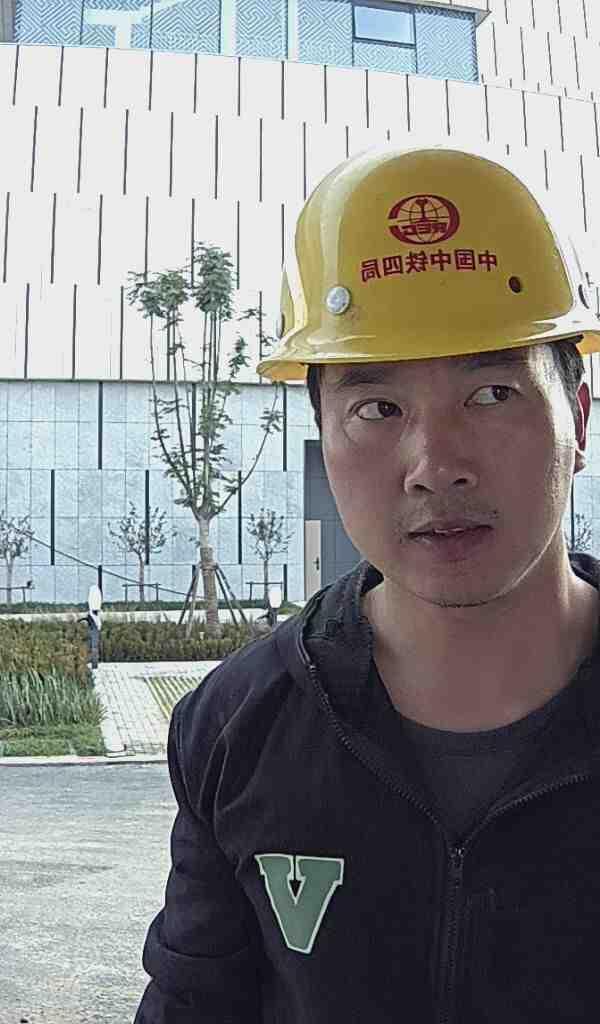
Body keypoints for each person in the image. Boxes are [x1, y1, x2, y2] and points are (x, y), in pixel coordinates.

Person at [133, 145, 600, 1023]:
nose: (435, 466)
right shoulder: (238, 727)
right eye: (378, 409)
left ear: (576, 417)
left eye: (492, 394)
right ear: (323, 433)